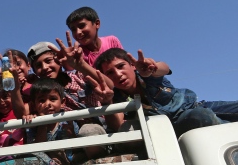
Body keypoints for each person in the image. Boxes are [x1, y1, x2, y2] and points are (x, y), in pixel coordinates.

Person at [94, 48, 238, 136]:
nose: (118, 74)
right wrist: (107, 102)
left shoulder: (147, 76)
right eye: (110, 72)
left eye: (121, 66)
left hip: (197, 104)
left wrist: (153, 67)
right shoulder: (117, 97)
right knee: (202, 117)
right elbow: (116, 125)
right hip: (179, 122)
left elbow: (165, 68)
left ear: (132, 65)